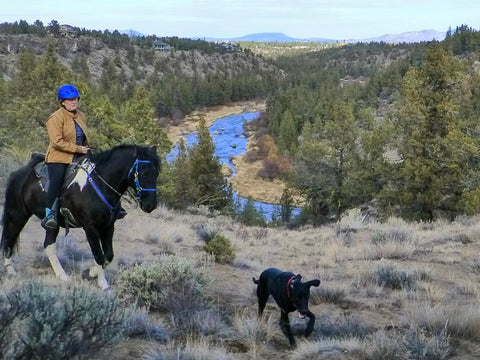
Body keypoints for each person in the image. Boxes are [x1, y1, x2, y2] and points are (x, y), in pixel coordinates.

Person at [41, 84, 89, 229]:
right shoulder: (55, 118)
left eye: (75, 99)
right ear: (62, 102)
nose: (74, 102)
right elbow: (57, 142)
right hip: (59, 157)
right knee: (57, 180)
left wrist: (86, 148)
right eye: (70, 100)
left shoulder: (80, 115)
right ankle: (50, 214)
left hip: (79, 154)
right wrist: (78, 149)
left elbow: (82, 136)